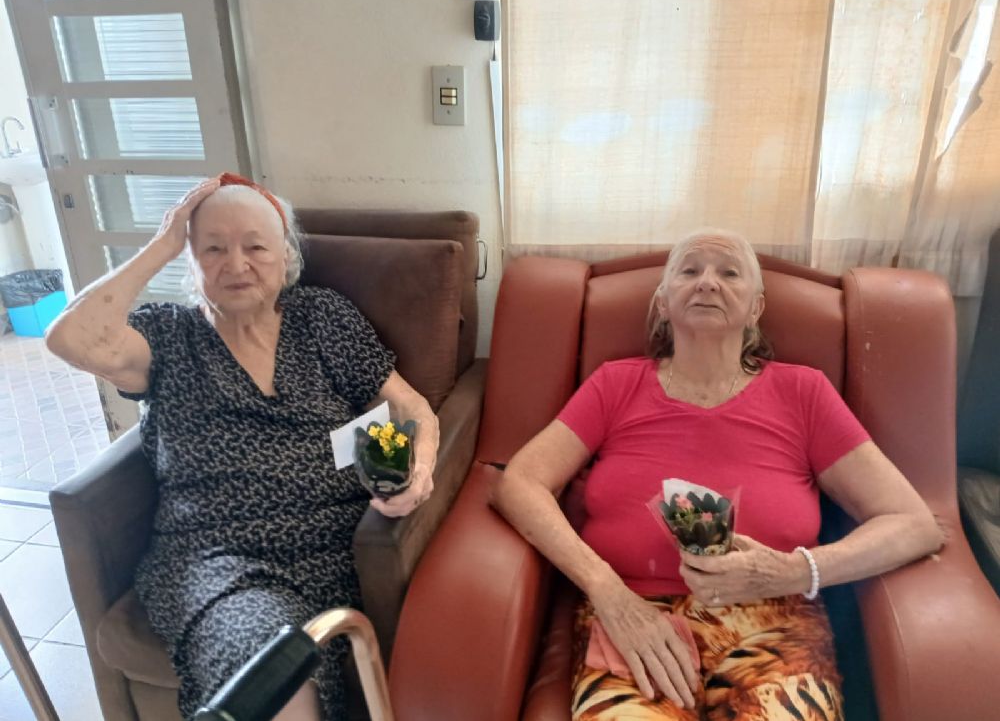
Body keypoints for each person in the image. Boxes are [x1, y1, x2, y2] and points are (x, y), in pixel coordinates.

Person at [491, 229, 943, 721]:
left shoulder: (804, 393)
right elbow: (520, 482)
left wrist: (796, 571)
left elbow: (913, 524)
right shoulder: (614, 384)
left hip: (775, 622)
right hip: (635, 614)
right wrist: (608, 592)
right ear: (663, 302)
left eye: (729, 273)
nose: (707, 282)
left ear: (755, 308)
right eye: (689, 271)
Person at [45, 174, 438, 720]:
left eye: (256, 247)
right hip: (216, 561)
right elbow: (70, 339)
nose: (236, 264)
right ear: (190, 260)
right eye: (212, 249)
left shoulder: (322, 318)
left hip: (331, 553)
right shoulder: (167, 336)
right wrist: (161, 244)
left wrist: (419, 470)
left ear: (286, 256)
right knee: (270, 662)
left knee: (302, 654)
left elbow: (410, 407)